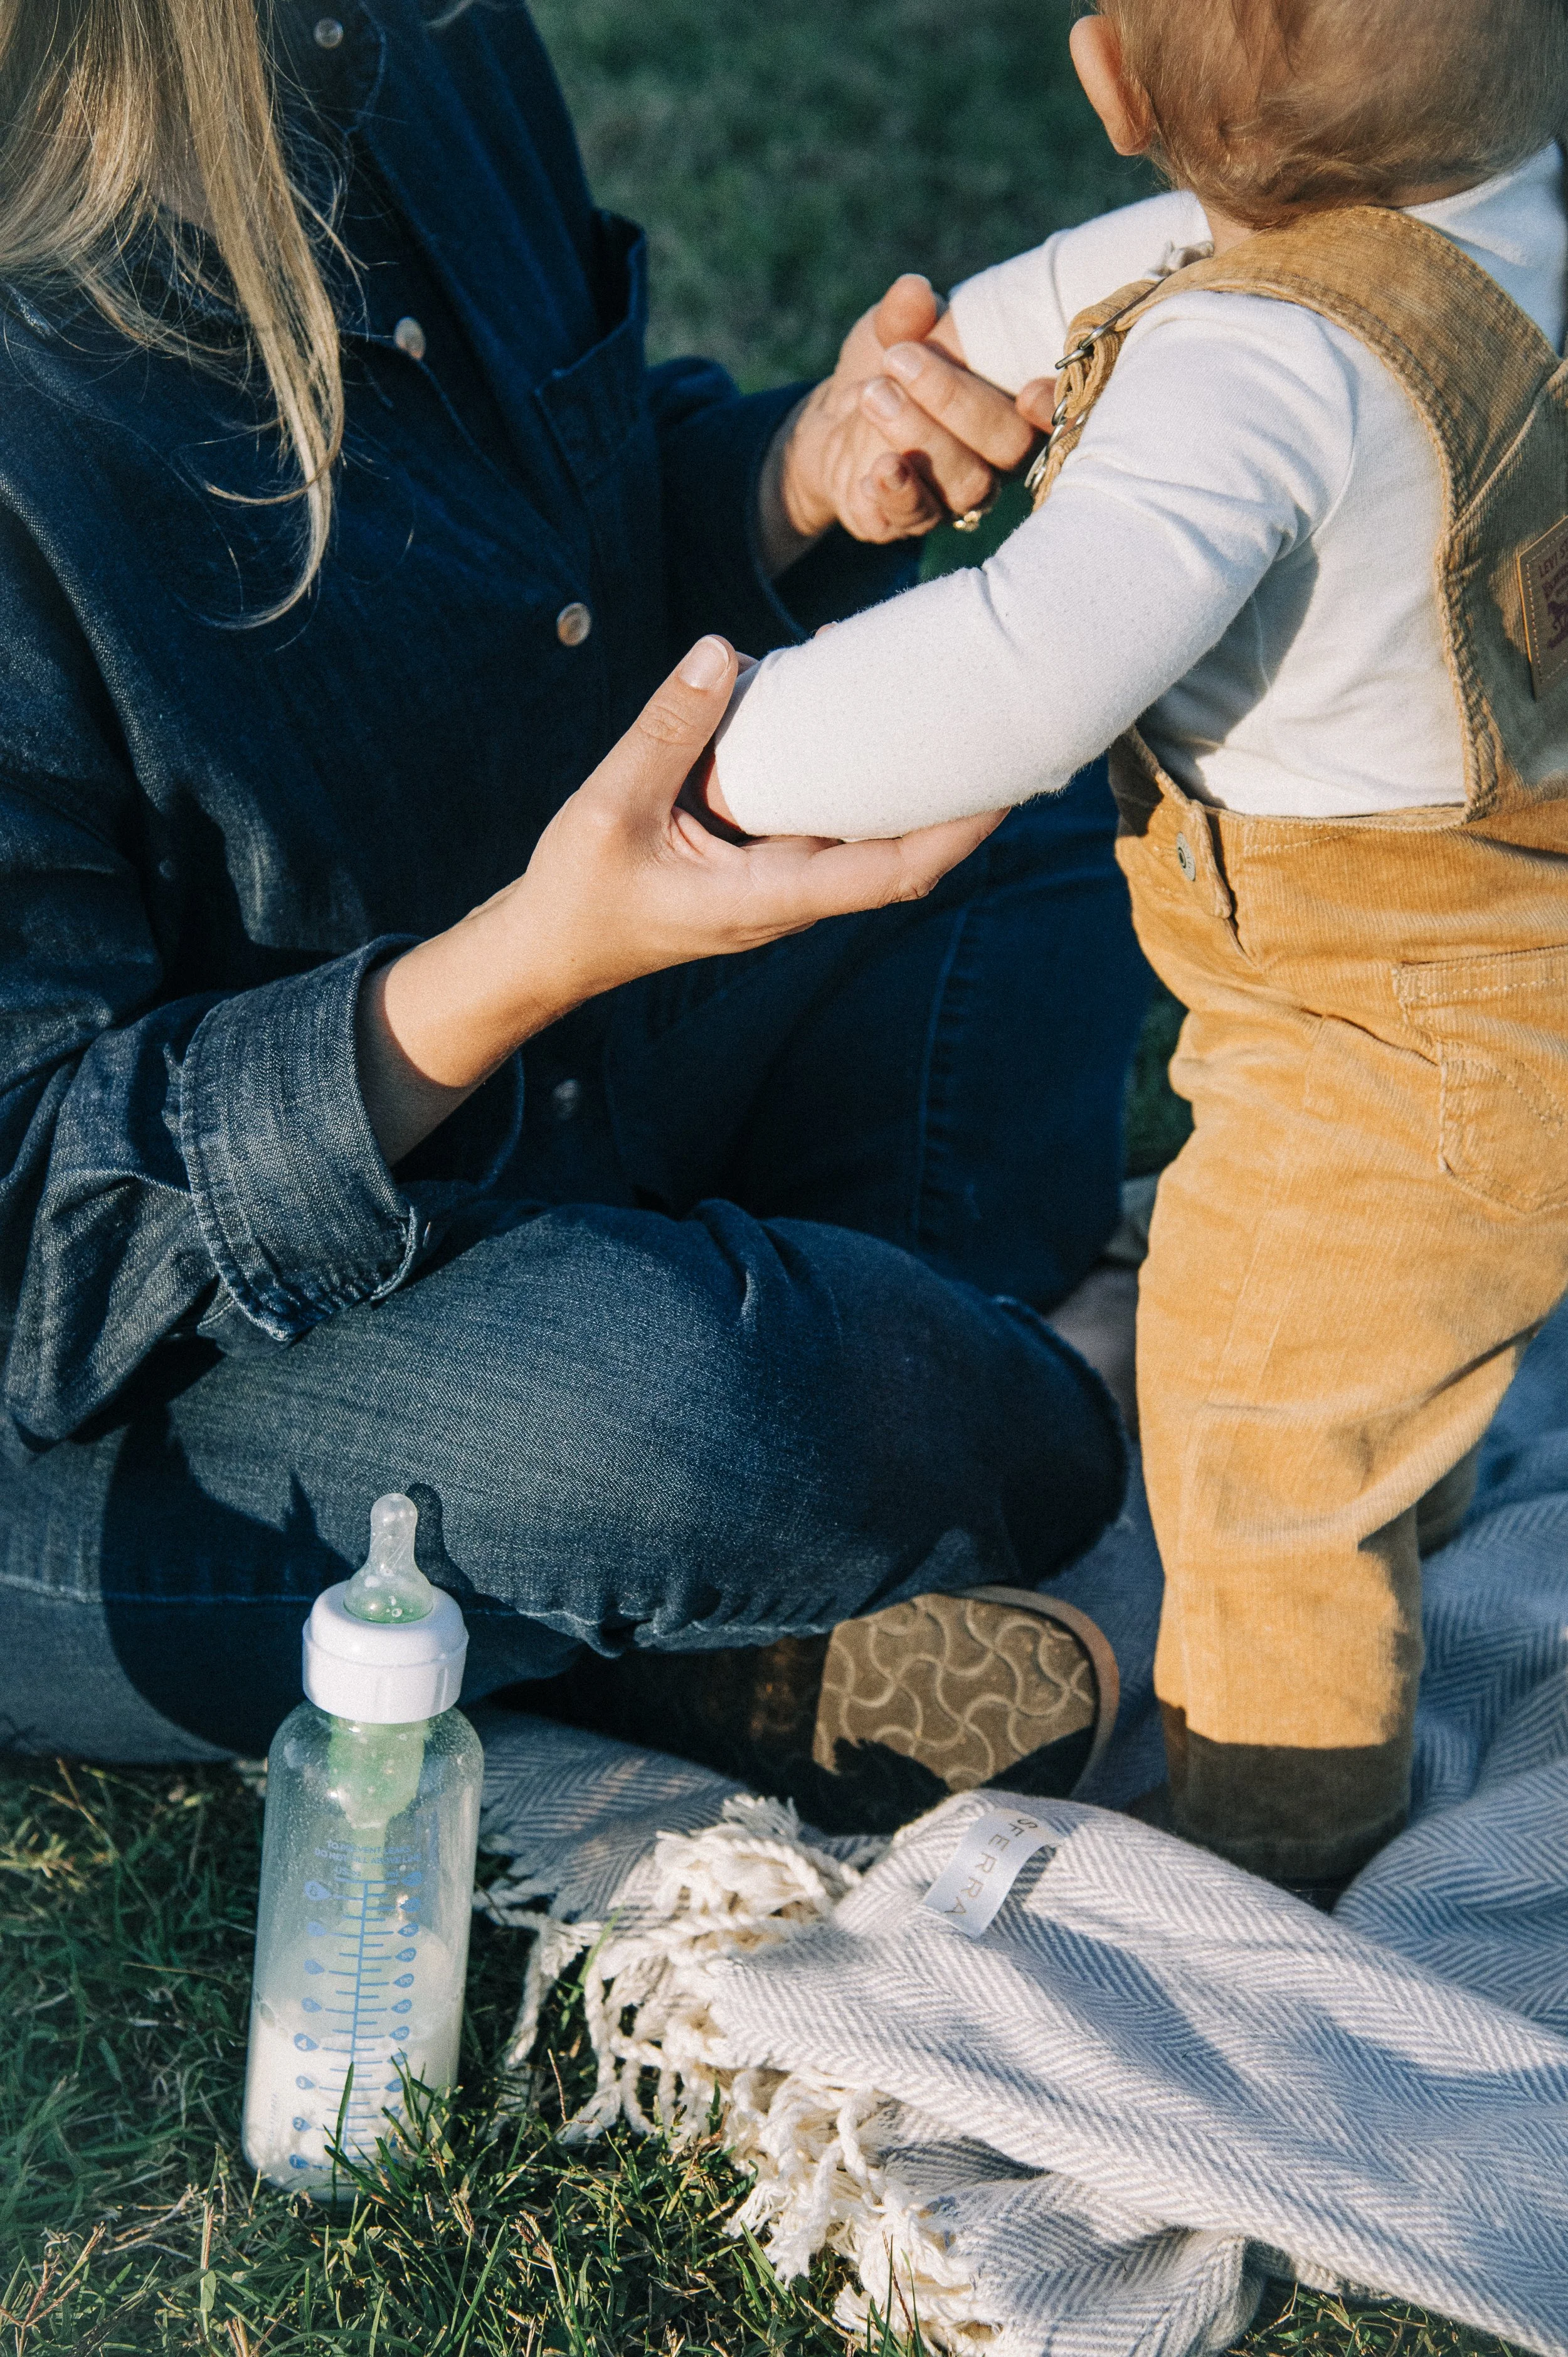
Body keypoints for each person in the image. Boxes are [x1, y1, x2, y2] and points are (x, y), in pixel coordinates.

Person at [0, 0, 1150, 1787]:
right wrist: (520, 966)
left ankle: (693, 1586)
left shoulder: (415, 44)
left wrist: (792, 479)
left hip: (537, 1054)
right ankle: (1063, 1390)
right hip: (123, 1400)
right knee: (682, 1404)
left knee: (999, 782)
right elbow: (37, 1250)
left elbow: (549, 526)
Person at [709, 0, 1568, 1898]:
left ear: (1107, 84)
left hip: (1387, 1028)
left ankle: (1277, 1851)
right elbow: (1104, 283)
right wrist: (943, 378)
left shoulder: (1258, 371)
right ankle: (1391, 1493)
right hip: (1497, 960)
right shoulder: (1496, 198)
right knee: (1357, 1343)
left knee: (1259, 1425)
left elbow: (1020, 665)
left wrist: (742, 741)